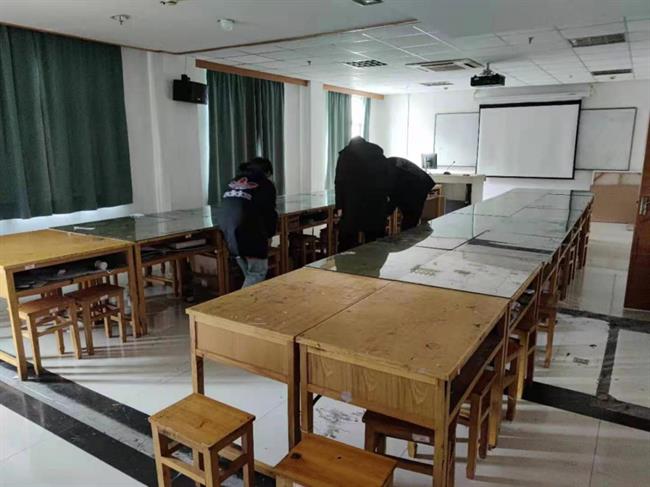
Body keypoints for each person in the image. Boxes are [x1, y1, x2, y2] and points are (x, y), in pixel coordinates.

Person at [218, 157, 278, 288]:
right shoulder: (265, 184)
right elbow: (269, 213)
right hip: (251, 233)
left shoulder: (231, 181)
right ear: (267, 172)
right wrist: (269, 235)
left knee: (250, 275)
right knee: (257, 274)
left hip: (229, 234)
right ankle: (240, 301)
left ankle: (254, 298)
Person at [334, 137, 393, 252]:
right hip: (376, 202)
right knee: (375, 241)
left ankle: (346, 262)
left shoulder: (346, 155)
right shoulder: (378, 154)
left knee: (348, 240)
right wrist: (386, 200)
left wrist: (339, 206)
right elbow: (387, 178)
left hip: (353, 203)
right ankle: (373, 262)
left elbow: (339, 182)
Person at [386, 157, 435, 231]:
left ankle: (407, 236)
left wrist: (387, 210)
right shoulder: (391, 162)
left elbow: (396, 191)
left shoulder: (390, 167)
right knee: (411, 217)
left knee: (410, 218)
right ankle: (408, 234)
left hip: (418, 186)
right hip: (420, 183)